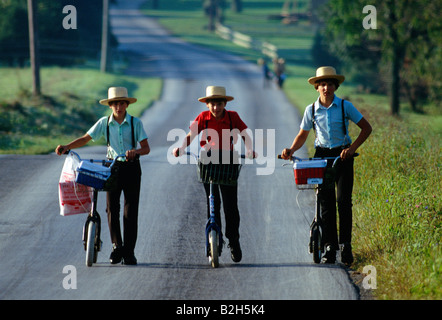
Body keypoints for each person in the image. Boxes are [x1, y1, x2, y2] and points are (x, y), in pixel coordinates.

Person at [280, 67, 372, 265]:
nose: (326, 88)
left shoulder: (345, 106)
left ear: (335, 86)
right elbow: (303, 134)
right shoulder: (311, 110)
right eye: (322, 84)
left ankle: (345, 245)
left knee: (343, 202)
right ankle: (330, 246)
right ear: (316, 87)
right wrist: (291, 150)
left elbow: (366, 128)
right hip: (322, 157)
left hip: (343, 156)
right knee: (326, 203)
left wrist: (352, 148)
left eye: (330, 84)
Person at [55, 87, 150, 265]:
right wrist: (67, 146)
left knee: (130, 209)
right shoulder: (104, 123)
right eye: (115, 104)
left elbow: (146, 148)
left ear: (127, 104)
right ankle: (117, 247)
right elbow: (85, 138)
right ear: (110, 105)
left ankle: (129, 251)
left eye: (122, 103)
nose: (118, 107)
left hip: (131, 168)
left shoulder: (135, 123)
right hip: (112, 167)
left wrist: (135, 152)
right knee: (111, 208)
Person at [173, 86, 256, 263]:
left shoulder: (232, 117)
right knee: (213, 202)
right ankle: (216, 237)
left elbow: (245, 135)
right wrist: (181, 148)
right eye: (212, 104)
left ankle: (234, 241)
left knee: (230, 206)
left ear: (225, 104)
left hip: (228, 161)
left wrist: (249, 149)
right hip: (208, 160)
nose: (216, 108)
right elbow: (191, 135)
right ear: (207, 105)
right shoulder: (203, 117)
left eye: (219, 104)